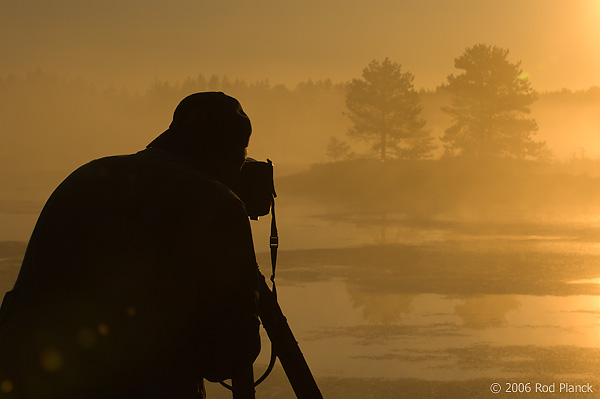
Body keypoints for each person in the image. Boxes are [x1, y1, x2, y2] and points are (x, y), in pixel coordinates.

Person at [0, 92, 261, 398]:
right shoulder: (217, 202)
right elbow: (227, 357)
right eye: (241, 159)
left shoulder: (88, 176)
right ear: (229, 155)